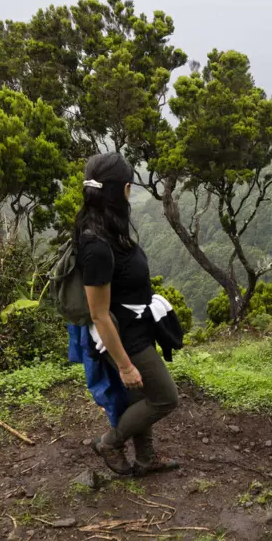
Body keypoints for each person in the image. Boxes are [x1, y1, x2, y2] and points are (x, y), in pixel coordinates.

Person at [78, 152, 180, 476]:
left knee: (140, 398)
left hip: (135, 325)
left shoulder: (107, 228)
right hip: (123, 336)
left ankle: (146, 458)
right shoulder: (96, 244)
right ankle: (110, 442)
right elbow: (98, 314)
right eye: (128, 186)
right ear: (120, 190)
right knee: (164, 397)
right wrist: (124, 365)